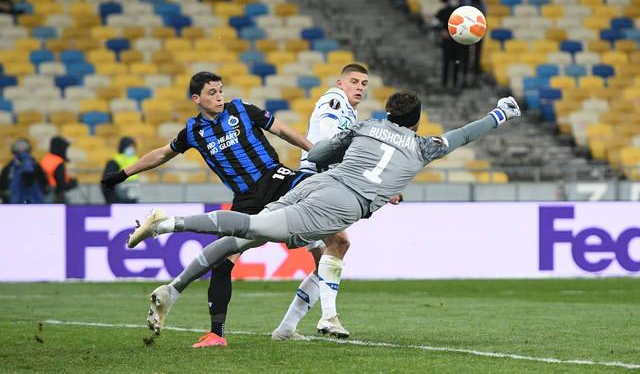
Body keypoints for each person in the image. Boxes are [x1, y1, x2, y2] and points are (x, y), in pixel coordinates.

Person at [127, 92, 522, 335]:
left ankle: (173, 290)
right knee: (254, 226)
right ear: (417, 121)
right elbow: (463, 134)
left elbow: (317, 154)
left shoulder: (367, 126)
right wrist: (500, 114)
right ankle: (168, 223)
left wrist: (342, 152)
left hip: (318, 183)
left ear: (388, 114)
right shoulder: (424, 147)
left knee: (245, 238)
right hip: (341, 204)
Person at [102, 71, 316, 348]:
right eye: (212, 92)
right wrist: (123, 174)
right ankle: (217, 334)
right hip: (246, 199)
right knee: (221, 263)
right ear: (197, 98)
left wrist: (317, 152)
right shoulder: (193, 131)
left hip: (275, 178)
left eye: (220, 91)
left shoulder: (241, 110)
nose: (219, 97)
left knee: (315, 190)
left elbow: (283, 131)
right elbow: (162, 154)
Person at [272, 63, 373, 340]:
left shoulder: (349, 111)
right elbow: (329, 139)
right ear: (340, 83)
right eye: (354, 81)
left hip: (319, 182)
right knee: (338, 244)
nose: (359, 88)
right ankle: (327, 318)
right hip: (314, 182)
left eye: (364, 84)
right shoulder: (335, 99)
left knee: (329, 256)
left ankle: (287, 328)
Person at [435, 0, 468, 90]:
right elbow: (435, 23)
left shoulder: (462, 12)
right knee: (446, 63)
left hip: (458, 42)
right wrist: (441, 31)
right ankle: (444, 83)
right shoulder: (443, 11)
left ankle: (455, 83)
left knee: (457, 63)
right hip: (447, 42)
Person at [0, 138, 48, 204]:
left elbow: (3, 186)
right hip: (34, 201)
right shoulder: (34, 165)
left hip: (14, 201)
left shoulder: (9, 167)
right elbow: (44, 182)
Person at [101, 136, 140, 204]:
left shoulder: (135, 159)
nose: (132, 148)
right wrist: (111, 199)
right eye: (129, 146)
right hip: (119, 199)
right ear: (124, 146)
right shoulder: (115, 161)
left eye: (133, 146)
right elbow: (106, 181)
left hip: (132, 197)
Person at [40, 136, 77, 203]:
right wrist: (71, 184)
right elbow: (61, 183)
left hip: (44, 191)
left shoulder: (46, 159)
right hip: (54, 194)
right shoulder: (58, 161)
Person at [467, 0, 486, 79]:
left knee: (478, 49)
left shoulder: (480, 0)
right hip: (468, 27)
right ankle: (467, 66)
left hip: (478, 28)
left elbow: (484, 13)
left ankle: (476, 66)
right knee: (467, 49)